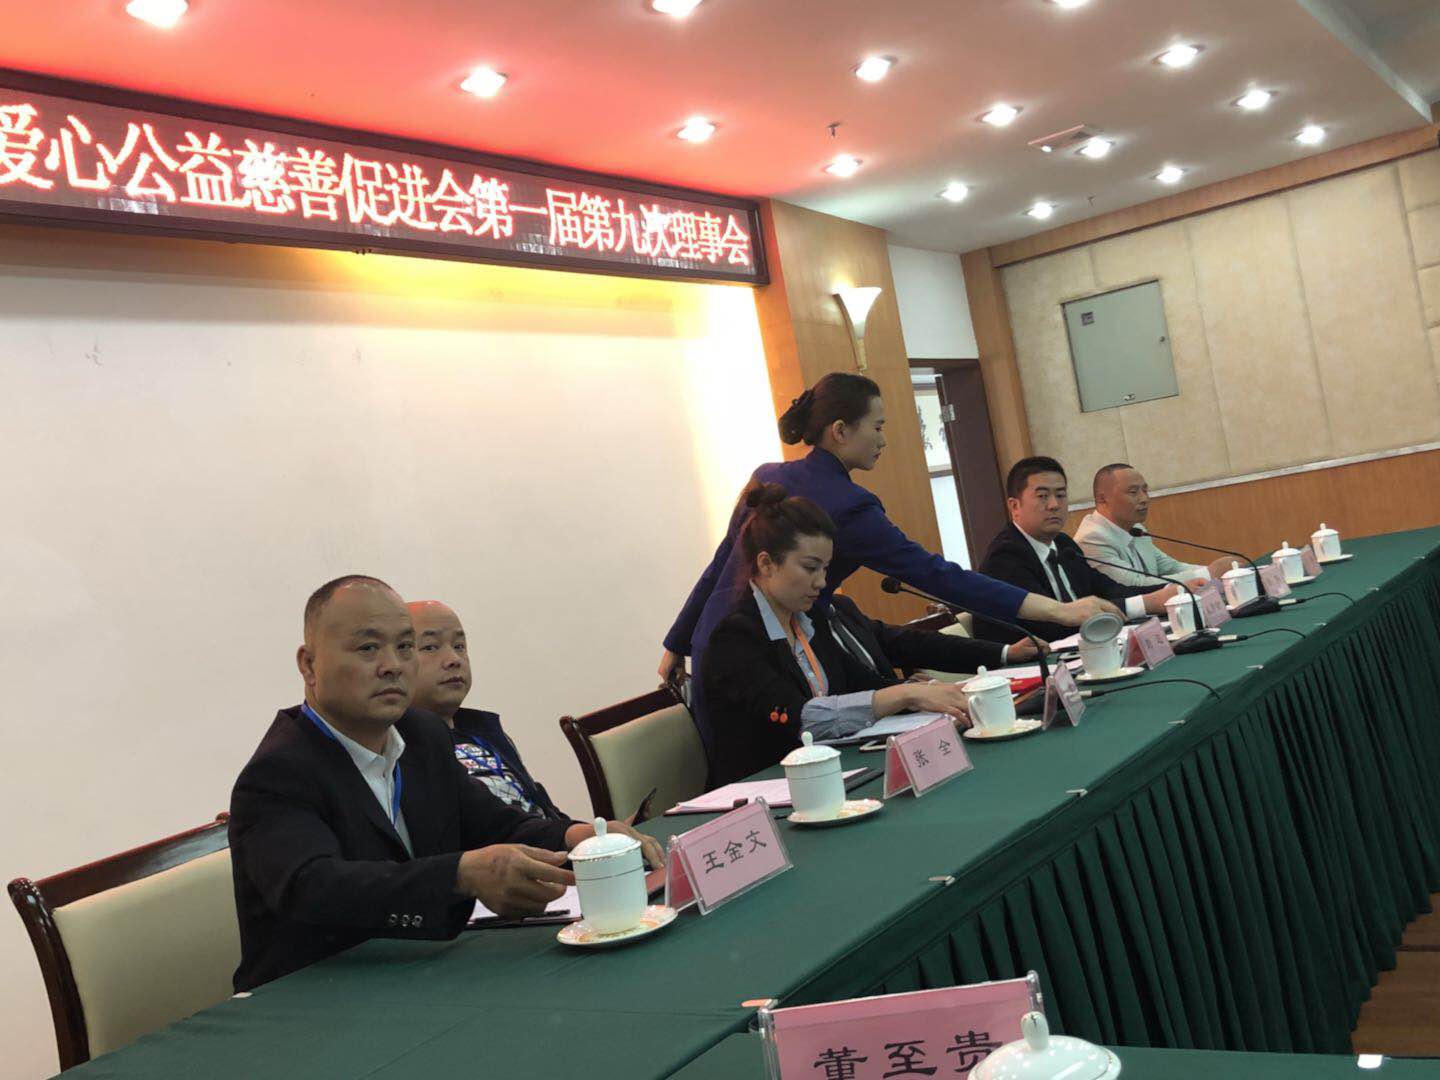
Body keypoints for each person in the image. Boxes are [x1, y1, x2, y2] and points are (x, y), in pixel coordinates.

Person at [228, 575, 657, 991]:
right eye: (368, 648)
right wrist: (459, 874)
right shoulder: (278, 772)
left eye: (405, 646)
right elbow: (316, 888)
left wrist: (575, 837)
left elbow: (496, 825)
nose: (392, 666)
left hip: (422, 972)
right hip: (319, 994)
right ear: (309, 664)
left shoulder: (421, 734)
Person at [661, 372, 1118, 754]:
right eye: (877, 427)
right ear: (841, 431)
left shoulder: (769, 475)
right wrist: (1058, 611)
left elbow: (719, 561)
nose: (883, 440)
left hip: (727, 638)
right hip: (758, 655)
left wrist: (678, 642)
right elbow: (940, 577)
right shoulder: (850, 506)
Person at [703, 485, 993, 784]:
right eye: (810, 568)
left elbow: (860, 683)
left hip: (829, 774)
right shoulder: (735, 638)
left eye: (825, 569)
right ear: (766, 563)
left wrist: (927, 692)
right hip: (765, 789)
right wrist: (907, 694)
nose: (821, 582)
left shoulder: (807, 620)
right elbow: (802, 718)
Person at [406, 600, 666, 861]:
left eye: (460, 646)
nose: (453, 659)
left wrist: (594, 835)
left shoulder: (484, 732)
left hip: (556, 856)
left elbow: (542, 813)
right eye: (430, 647)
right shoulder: (407, 752)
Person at [976, 457, 1176, 643]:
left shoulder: (1063, 545)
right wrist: (1145, 604)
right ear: (1014, 506)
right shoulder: (1005, 556)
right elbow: (1050, 624)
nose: (1054, 505)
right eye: (1043, 496)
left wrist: (1173, 591)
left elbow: (1109, 589)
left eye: (1060, 495)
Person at [1074, 463, 1231, 587]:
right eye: (1133, 492)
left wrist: (1221, 573)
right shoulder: (1092, 539)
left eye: (1145, 490)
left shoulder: (1136, 529)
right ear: (1102, 499)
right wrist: (1207, 573)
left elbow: (1170, 567)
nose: (1144, 499)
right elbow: (1135, 584)